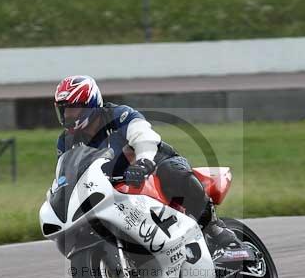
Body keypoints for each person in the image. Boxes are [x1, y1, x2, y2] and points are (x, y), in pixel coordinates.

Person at [53, 75, 241, 250]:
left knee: (173, 173)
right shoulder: (66, 141)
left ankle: (216, 228)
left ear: (91, 105)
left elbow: (144, 136)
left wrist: (143, 162)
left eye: (73, 108)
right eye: (64, 109)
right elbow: (66, 173)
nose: (68, 115)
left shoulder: (119, 115)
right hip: (113, 186)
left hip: (155, 165)